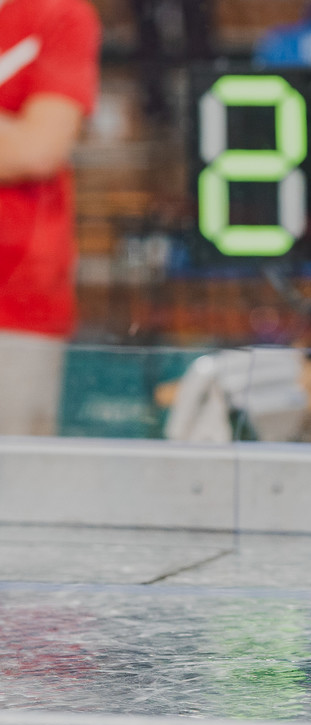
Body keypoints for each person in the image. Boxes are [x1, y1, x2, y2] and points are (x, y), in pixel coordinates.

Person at [0, 0, 100, 437]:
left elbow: (37, 150)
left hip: (15, 303)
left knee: (14, 473)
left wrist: (23, 142)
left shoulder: (58, 13)